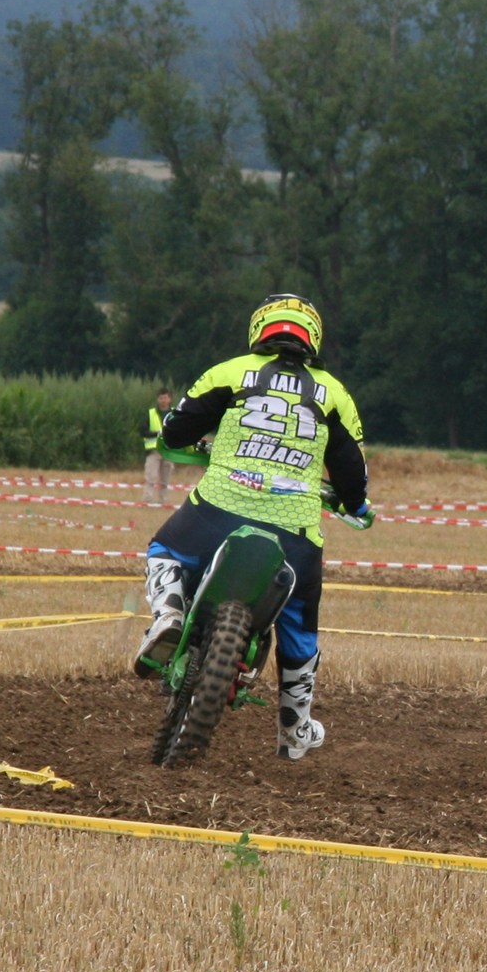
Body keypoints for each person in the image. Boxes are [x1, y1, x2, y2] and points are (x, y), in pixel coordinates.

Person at [135, 293, 371, 760]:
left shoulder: (229, 372)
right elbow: (353, 476)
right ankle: (294, 729)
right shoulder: (335, 394)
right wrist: (355, 503)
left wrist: (205, 444)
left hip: (218, 509)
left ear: (259, 329)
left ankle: (169, 614)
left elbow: (175, 430)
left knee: (165, 551)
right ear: (314, 337)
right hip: (294, 530)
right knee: (299, 626)